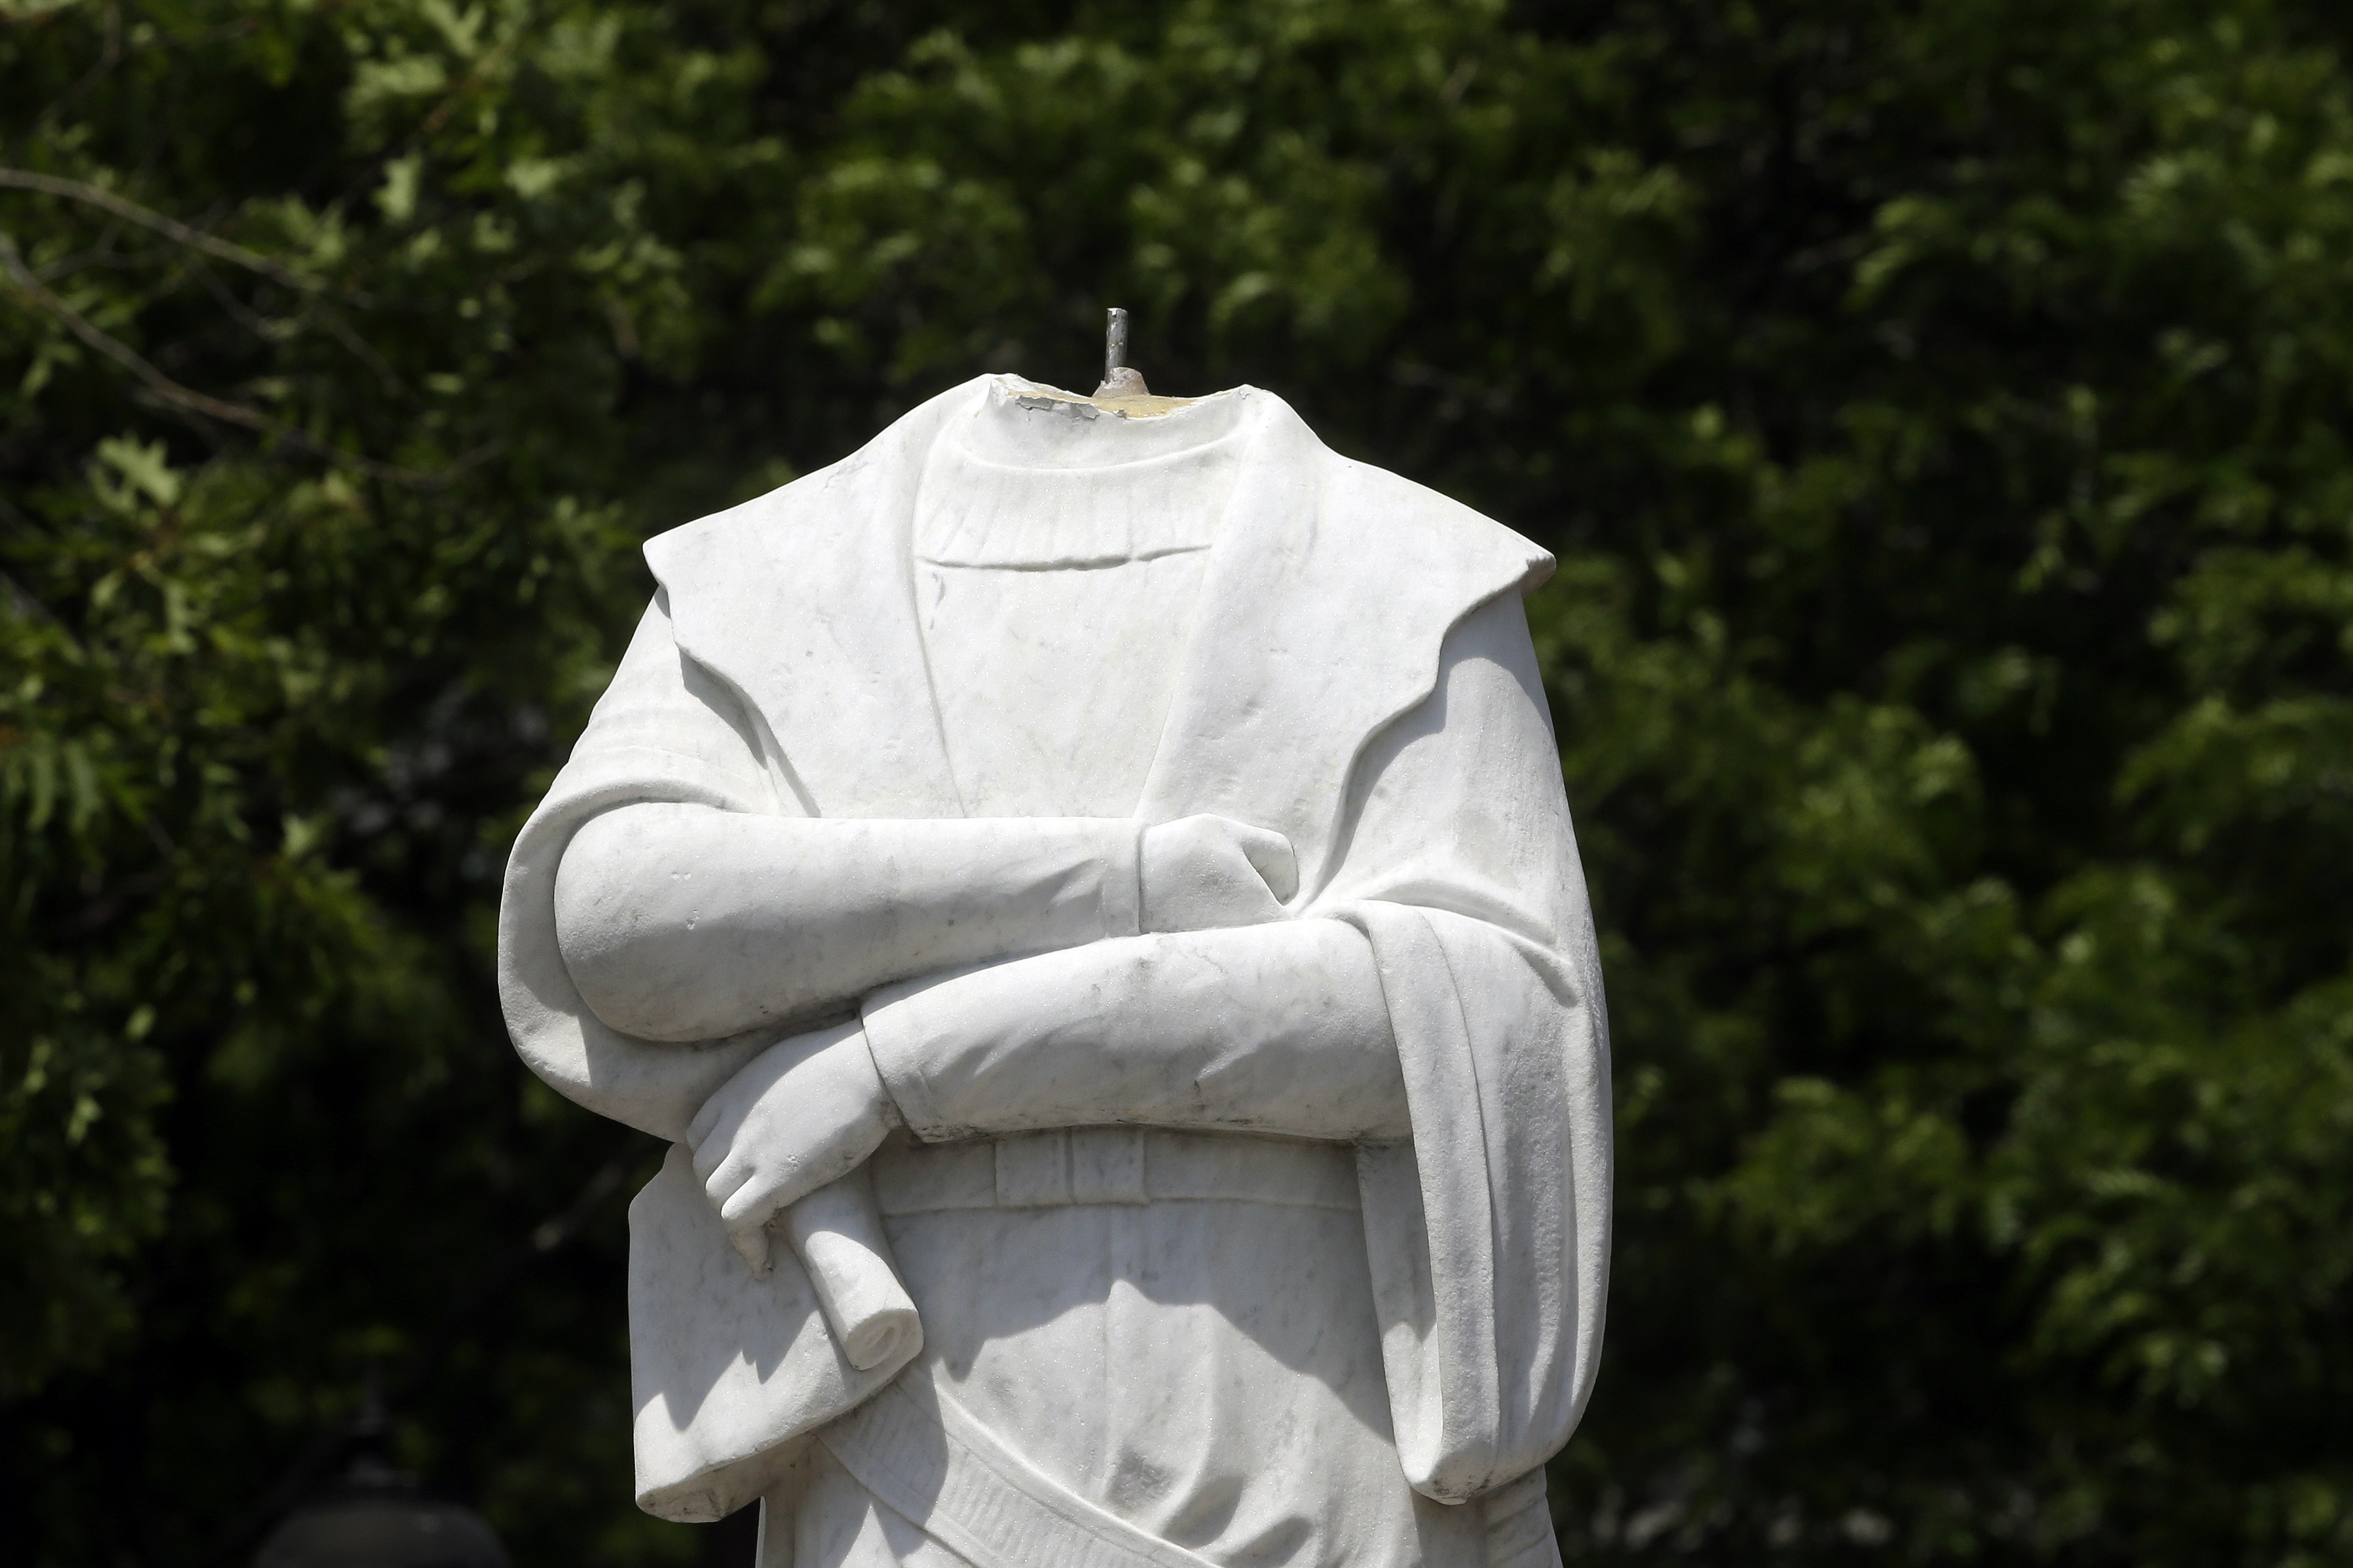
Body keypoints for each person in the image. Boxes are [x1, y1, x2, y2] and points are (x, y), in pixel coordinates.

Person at [497, 372, 1612, 1567]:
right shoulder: (779, 568)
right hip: (918, 1447)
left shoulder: (1406, 572)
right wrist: (1116, 882)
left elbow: (1467, 1020)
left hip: (1297, 1441)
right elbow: (614, 924)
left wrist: (891, 1067)